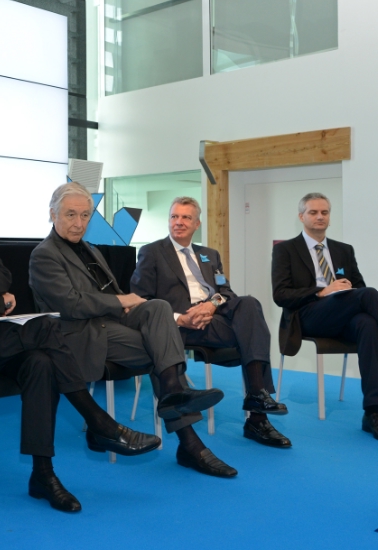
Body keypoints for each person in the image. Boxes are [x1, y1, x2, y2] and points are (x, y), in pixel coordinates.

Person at [0, 159, 163, 513]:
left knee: (40, 362)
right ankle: (98, 422)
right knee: (48, 326)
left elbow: (3, 277)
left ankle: (43, 474)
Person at [29, 183, 237, 478]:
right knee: (160, 350)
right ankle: (189, 438)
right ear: (53, 214)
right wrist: (120, 301)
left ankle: (174, 393)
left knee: (159, 307)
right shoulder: (44, 254)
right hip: (79, 332)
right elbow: (70, 304)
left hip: (109, 321)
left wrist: (124, 303)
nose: (79, 223)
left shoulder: (89, 249)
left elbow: (109, 293)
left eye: (85, 215)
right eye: (71, 215)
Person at [130, 196, 291, 448]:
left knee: (249, 304)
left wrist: (210, 305)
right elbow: (142, 299)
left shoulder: (209, 255)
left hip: (212, 318)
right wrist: (180, 318)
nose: (179, 222)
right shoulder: (152, 252)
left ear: (197, 224)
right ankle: (258, 418)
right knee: (252, 334)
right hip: (177, 327)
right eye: (174, 217)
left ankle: (256, 398)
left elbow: (226, 293)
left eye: (186, 217)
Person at [272, 192, 378, 439]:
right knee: (370, 294)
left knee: (368, 324)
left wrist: (344, 291)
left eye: (324, 212)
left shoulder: (344, 250)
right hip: (309, 315)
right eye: (313, 212)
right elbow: (280, 295)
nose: (320, 217)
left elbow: (358, 287)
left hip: (341, 314)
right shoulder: (286, 250)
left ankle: (373, 411)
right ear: (302, 216)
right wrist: (321, 291)